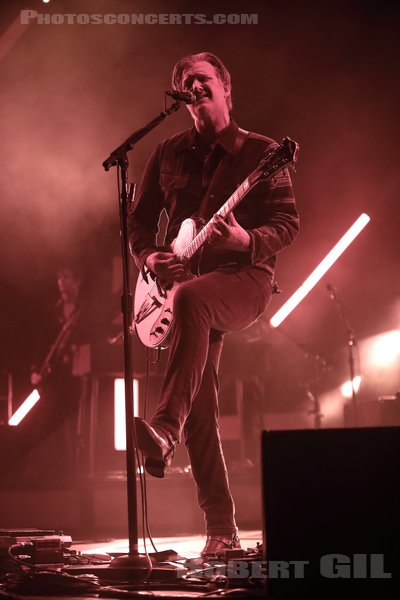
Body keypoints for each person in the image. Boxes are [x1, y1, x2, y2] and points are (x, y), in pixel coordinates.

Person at [128, 52, 299, 559]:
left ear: (226, 88)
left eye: (202, 79)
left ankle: (162, 429)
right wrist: (150, 255)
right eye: (184, 82)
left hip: (245, 278)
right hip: (182, 288)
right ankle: (222, 530)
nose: (193, 86)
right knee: (200, 401)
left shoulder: (264, 153)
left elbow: (287, 224)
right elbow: (139, 222)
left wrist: (246, 239)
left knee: (194, 299)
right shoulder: (167, 152)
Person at [27, 263, 91, 480]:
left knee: (74, 425)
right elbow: (40, 342)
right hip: (53, 378)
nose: (61, 282)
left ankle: (71, 472)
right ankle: (43, 471)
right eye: (59, 278)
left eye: (66, 277)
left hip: (76, 378)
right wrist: (36, 368)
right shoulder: (51, 312)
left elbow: (94, 339)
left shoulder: (86, 313)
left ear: (78, 281)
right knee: (45, 422)